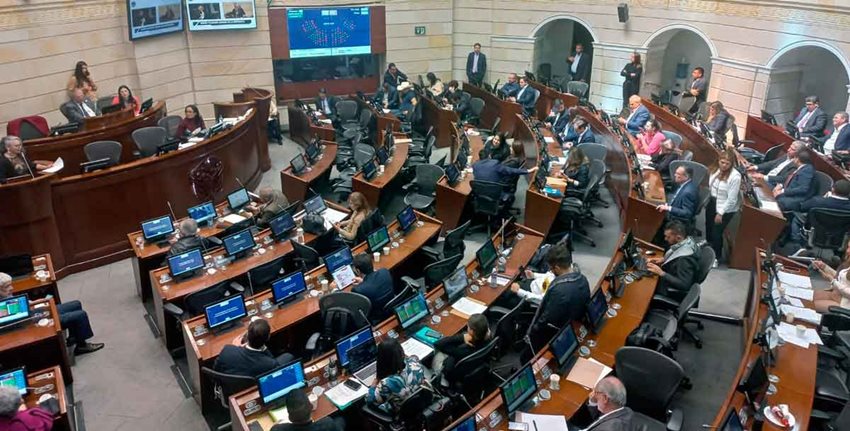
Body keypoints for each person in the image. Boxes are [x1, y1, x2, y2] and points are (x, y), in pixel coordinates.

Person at [510, 243, 590, 349]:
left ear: (557, 268)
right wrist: (534, 275)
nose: (551, 270)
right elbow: (550, 276)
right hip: (568, 319)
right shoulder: (581, 278)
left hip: (548, 329)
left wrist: (532, 332)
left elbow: (544, 315)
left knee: (507, 298)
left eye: (551, 268)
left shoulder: (558, 291)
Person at [0, 272, 104, 355]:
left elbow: (21, 304)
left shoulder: (5, 296)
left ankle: (74, 338)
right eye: (7, 287)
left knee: (75, 304)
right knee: (80, 315)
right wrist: (41, 315)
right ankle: (81, 347)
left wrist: (37, 302)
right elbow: (18, 323)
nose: (12, 288)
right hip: (33, 322)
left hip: (34, 312)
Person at [214, 319, 294, 377]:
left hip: (231, 387)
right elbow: (271, 359)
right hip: (254, 384)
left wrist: (235, 348)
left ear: (247, 335)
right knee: (288, 356)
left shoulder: (227, 350)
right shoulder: (269, 364)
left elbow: (216, 370)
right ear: (268, 338)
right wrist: (264, 348)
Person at [367, 338, 427, 414]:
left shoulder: (387, 383)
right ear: (401, 351)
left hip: (401, 412)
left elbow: (369, 400)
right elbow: (414, 357)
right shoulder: (415, 363)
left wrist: (375, 382)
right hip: (419, 403)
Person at [787, 179, 850, 248]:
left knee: (796, 218)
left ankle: (797, 246)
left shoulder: (817, 201)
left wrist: (823, 198)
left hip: (814, 232)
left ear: (832, 189)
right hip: (838, 238)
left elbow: (802, 207)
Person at [646, 221, 700, 300]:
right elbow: (676, 253)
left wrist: (661, 273)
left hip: (670, 290)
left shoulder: (684, 259)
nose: (665, 239)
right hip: (672, 273)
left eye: (668, 237)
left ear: (678, 238)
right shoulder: (687, 241)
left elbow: (684, 284)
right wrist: (664, 259)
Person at [705, 149, 742, 262]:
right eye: (722, 162)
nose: (724, 165)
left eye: (727, 163)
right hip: (713, 201)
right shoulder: (715, 169)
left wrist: (720, 213)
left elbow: (732, 199)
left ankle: (716, 257)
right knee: (709, 226)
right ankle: (708, 250)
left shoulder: (735, 176)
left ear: (731, 164)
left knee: (717, 232)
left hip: (726, 208)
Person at [433, 313, 490, 383]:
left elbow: (438, 344)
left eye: (468, 326)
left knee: (438, 354)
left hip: (452, 372)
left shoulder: (462, 350)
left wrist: (462, 337)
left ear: (471, 331)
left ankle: (441, 381)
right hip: (477, 363)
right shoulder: (489, 339)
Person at [270, 389, 345, 431]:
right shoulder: (327, 423)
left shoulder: (276, 429)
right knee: (341, 419)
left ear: (289, 416)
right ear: (311, 407)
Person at [351, 253, 394, 323]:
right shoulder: (384, 272)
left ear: (358, 271)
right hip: (391, 309)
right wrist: (363, 282)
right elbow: (374, 284)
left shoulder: (358, 290)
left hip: (376, 317)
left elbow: (356, 310)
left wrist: (335, 289)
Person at [811, 244, 850, 313]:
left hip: (844, 305)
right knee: (810, 296)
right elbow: (842, 278)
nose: (847, 251)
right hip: (836, 295)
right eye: (848, 247)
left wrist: (832, 281)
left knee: (811, 306)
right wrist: (824, 267)